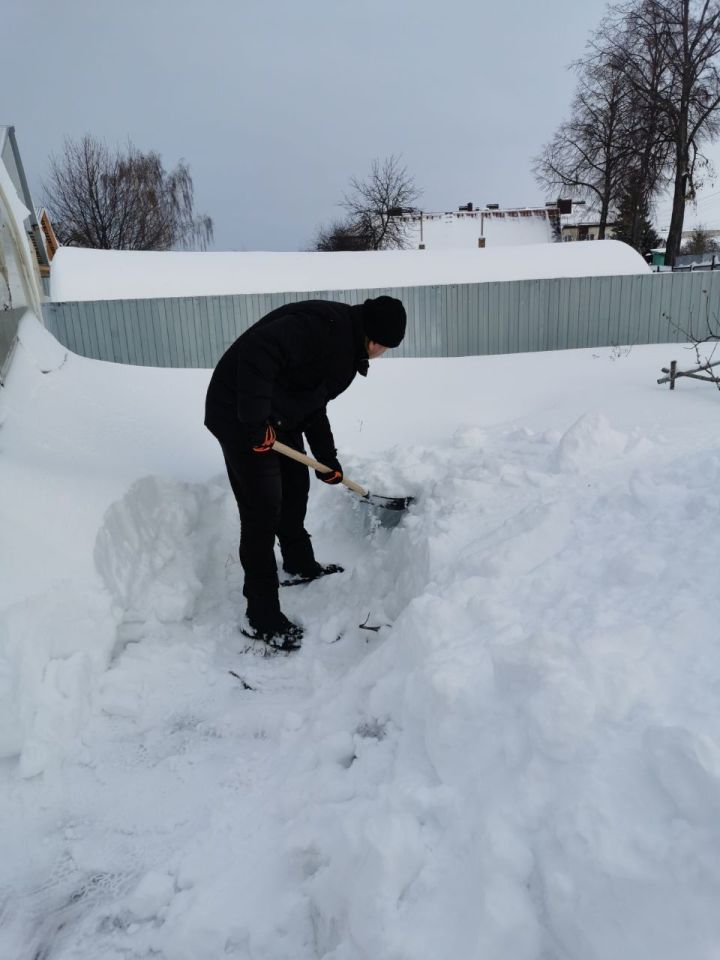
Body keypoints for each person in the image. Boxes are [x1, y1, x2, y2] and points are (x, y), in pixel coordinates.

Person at [204, 295, 407, 651]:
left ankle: (298, 562)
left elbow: (312, 402)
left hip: (274, 412)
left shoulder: (346, 345)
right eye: (386, 347)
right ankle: (261, 614)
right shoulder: (324, 329)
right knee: (262, 509)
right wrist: (253, 423)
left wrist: (327, 459)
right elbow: (258, 351)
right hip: (238, 410)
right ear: (376, 341)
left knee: (295, 484)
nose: (382, 354)